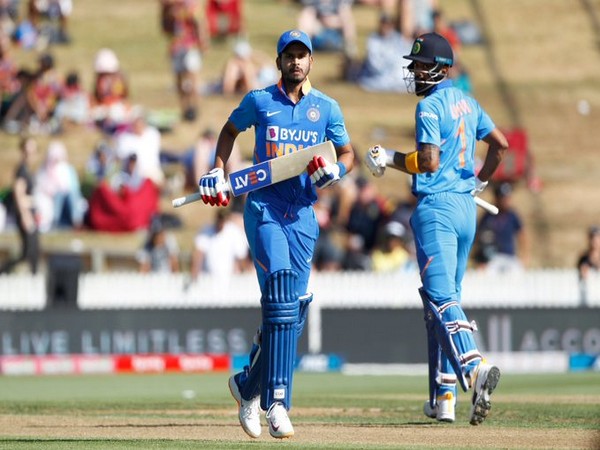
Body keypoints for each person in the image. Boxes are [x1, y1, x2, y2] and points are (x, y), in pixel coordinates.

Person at [197, 29, 354, 439]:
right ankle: (277, 403)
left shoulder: (326, 108)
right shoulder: (260, 101)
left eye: (303, 56)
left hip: (303, 213)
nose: (296, 62)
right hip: (264, 208)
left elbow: (348, 153)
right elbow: (229, 131)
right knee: (283, 291)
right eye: (290, 55)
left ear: (311, 62)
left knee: (295, 309)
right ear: (280, 59)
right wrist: (218, 170)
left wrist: (337, 170)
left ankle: (247, 385)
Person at [365, 32, 509, 425]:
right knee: (441, 306)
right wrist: (479, 181)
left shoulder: (429, 106)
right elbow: (500, 145)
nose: (415, 71)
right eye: (413, 65)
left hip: (437, 210)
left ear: (443, 68)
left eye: (422, 65)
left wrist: (390, 158)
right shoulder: (469, 102)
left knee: (442, 298)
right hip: (465, 211)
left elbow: (428, 162)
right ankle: (442, 396)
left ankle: (474, 369)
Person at [0, 136, 41, 275]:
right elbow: (19, 194)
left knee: (31, 251)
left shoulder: (28, 170)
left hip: (30, 214)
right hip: (25, 215)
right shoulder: (22, 170)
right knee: (29, 252)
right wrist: (25, 215)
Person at [473, 182, 528, 273]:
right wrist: (480, 259)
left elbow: (522, 235)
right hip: (492, 258)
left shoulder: (512, 216)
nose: (506, 200)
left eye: (507, 197)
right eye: (503, 198)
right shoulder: (488, 216)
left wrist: (525, 257)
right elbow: (478, 236)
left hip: (510, 257)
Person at [577, 225, 600, 305]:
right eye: (592, 238)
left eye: (597, 238)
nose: (594, 241)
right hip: (589, 299)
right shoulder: (584, 258)